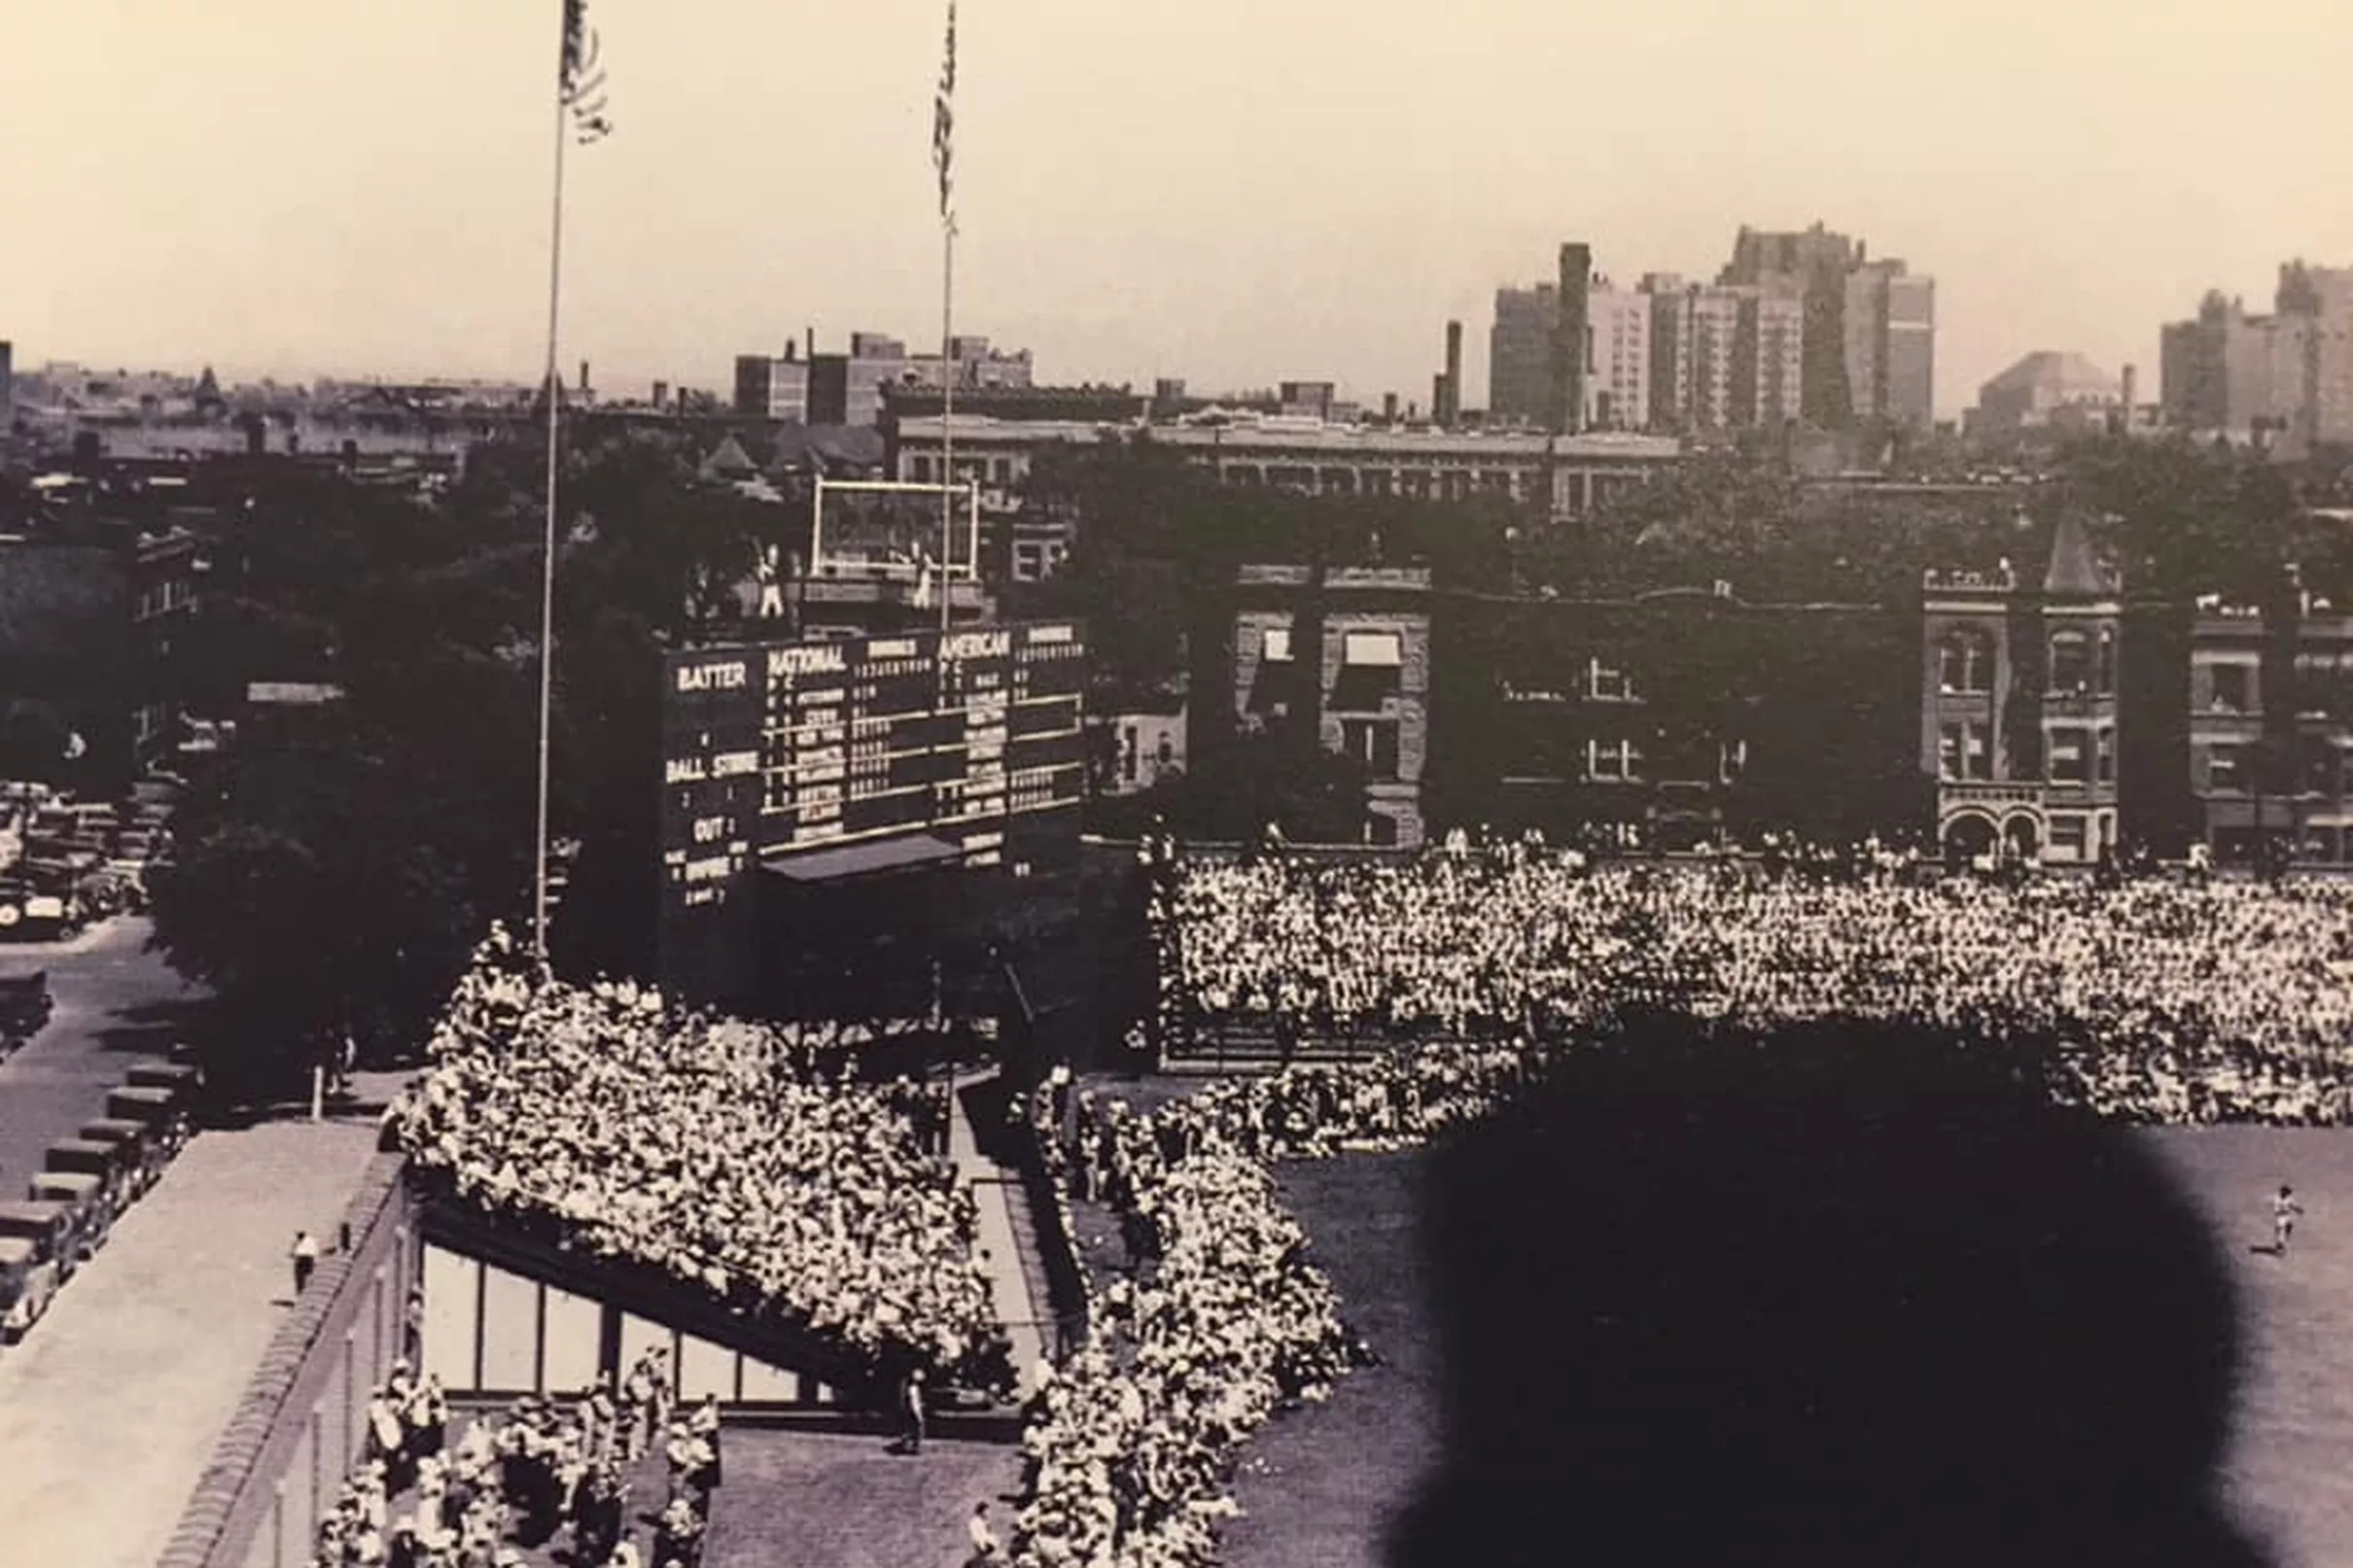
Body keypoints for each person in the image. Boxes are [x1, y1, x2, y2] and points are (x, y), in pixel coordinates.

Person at [899, 1367, 928, 1455]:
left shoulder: (906, 1387)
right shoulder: (913, 1389)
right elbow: (914, 1402)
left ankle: (908, 1445)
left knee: (909, 1429)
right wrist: (918, 1414)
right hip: (914, 1410)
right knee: (918, 1429)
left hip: (909, 1410)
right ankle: (914, 1446)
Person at [966, 1500, 1001, 1565]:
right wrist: (983, 1545)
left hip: (986, 1544)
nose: (989, 1513)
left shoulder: (985, 1521)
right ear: (982, 1511)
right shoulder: (975, 1522)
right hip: (981, 1544)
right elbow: (976, 1537)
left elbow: (989, 1533)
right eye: (987, 1511)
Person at [2273, 1184, 2304, 1255]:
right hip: (2280, 1216)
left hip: (2286, 1216)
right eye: (2285, 1192)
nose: (2287, 1194)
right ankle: (2280, 1245)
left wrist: (2298, 1210)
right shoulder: (2277, 1198)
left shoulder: (2289, 1199)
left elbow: (2292, 1205)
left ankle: (2282, 1243)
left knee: (2288, 1227)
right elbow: (2278, 1209)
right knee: (2282, 1229)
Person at [291, 1229, 320, 1295]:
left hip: (301, 1259)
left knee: (300, 1278)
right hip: (310, 1259)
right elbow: (316, 1251)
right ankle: (308, 1293)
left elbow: (294, 1252)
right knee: (309, 1277)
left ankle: (301, 1293)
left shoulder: (298, 1242)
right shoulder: (311, 1240)